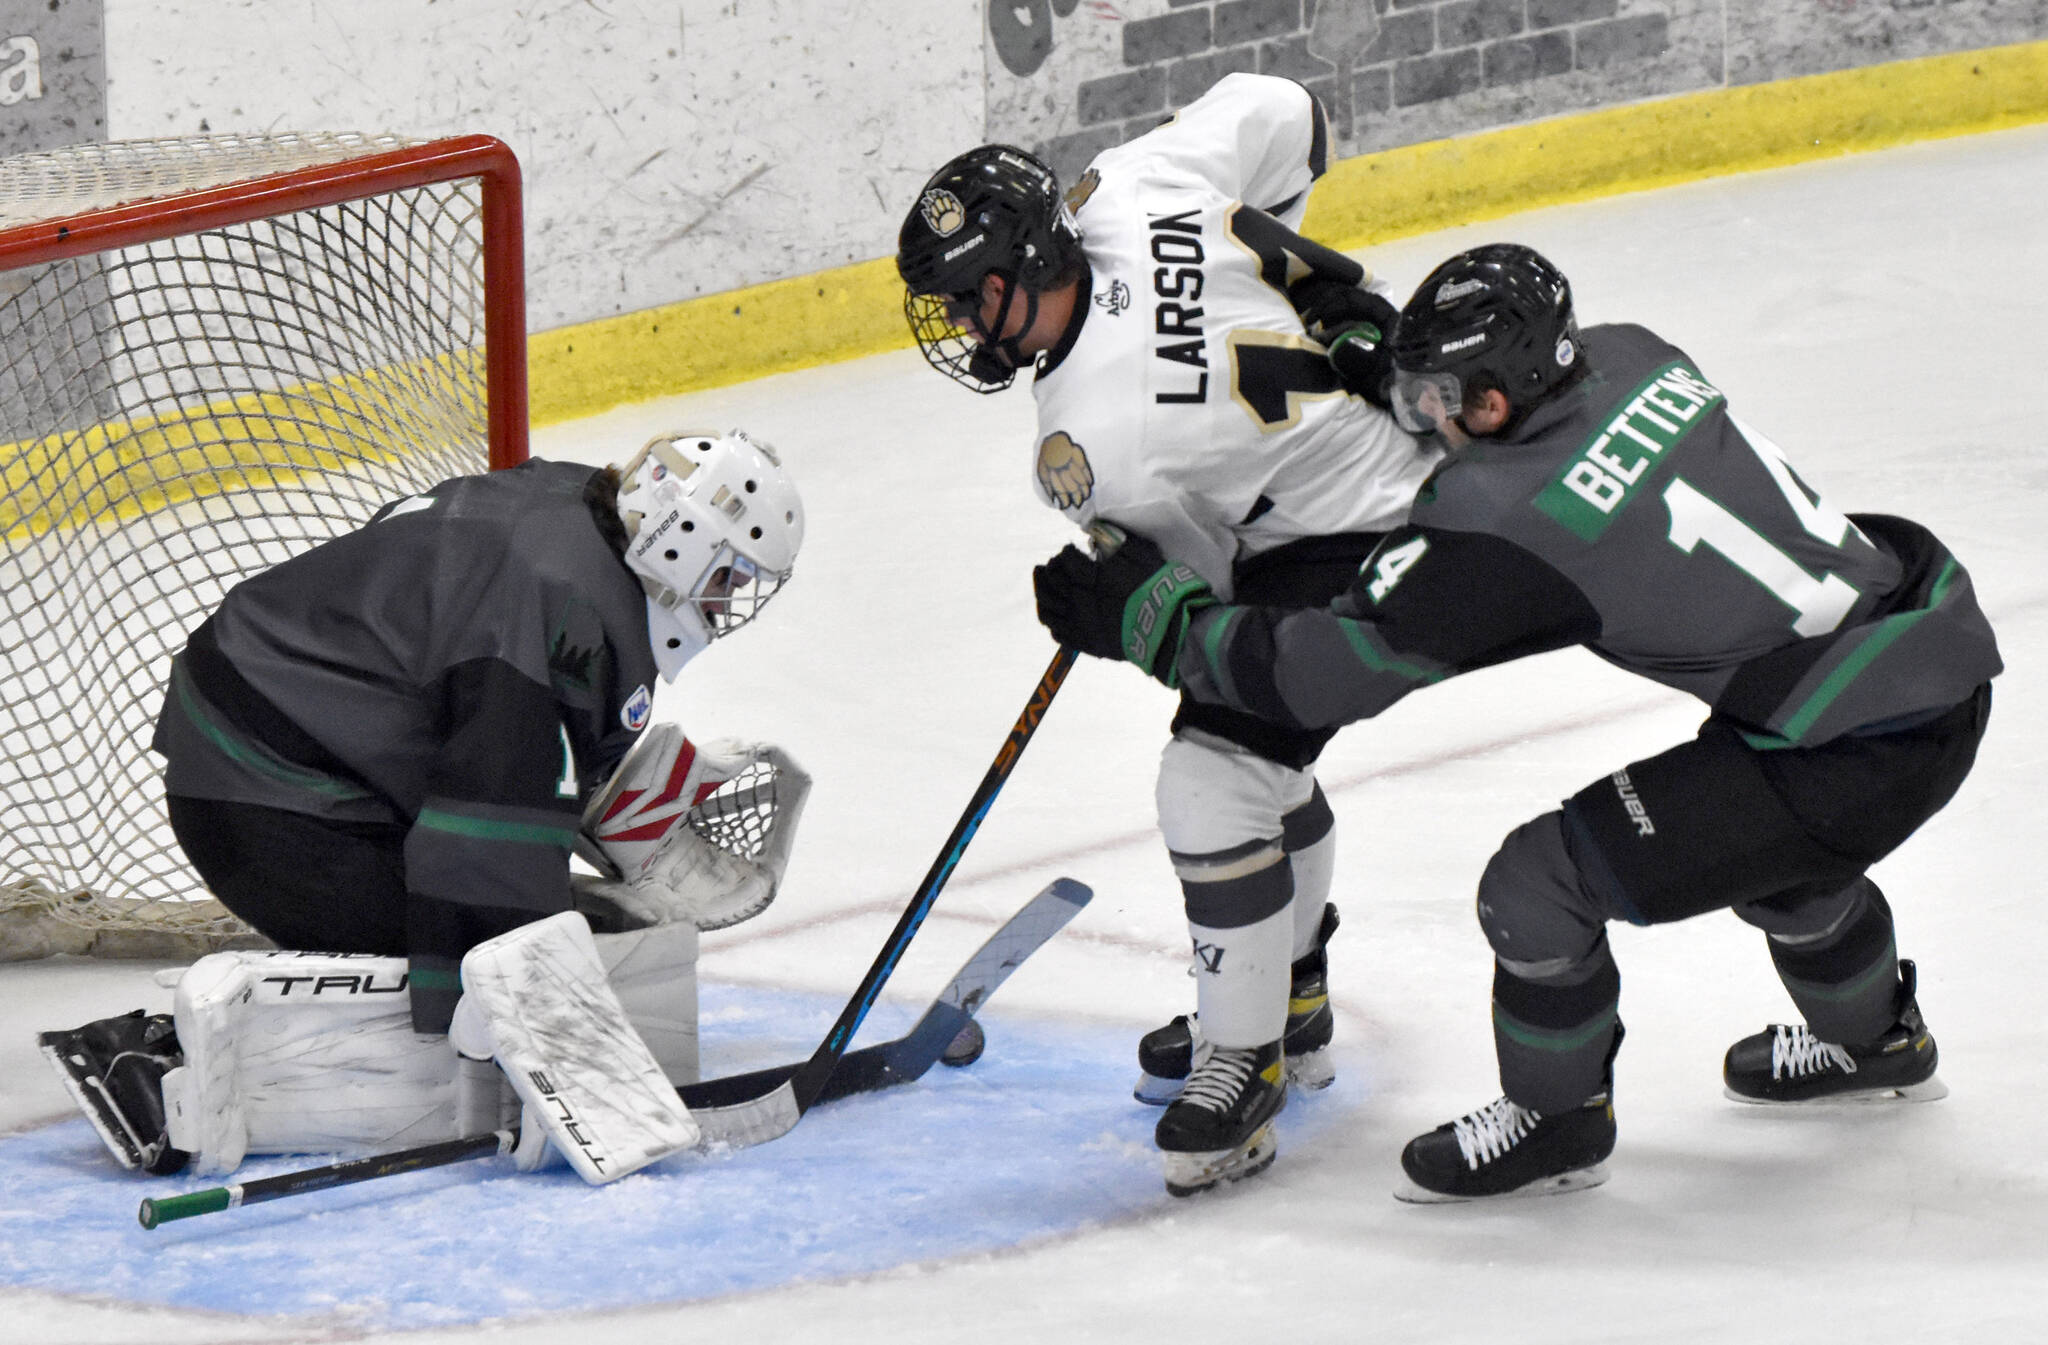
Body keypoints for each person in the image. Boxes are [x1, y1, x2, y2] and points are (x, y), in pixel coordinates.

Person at [1034, 243, 2000, 1201]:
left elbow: (1325, 674)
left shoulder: (1506, 526)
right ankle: (1877, 1043)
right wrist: (1398, 371)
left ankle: (1559, 1120)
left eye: (1437, 403)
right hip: (1918, 659)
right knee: (1780, 865)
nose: (1424, 421)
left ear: (1492, 402)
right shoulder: (1636, 353)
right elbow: (1567, 471)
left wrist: (1158, 624)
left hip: (1847, 747)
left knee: (1537, 886)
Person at [896, 72, 1439, 1197]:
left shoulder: (1090, 445)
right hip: (1391, 447)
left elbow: (1202, 602)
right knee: (1255, 760)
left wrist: (1114, 602)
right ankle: (1288, 1001)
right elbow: (1288, 109)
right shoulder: (1128, 185)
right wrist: (1308, 291)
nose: (956, 327)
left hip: (1368, 539)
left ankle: (1242, 1062)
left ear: (1015, 279)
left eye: (962, 301)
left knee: (1213, 778)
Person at [41, 430, 811, 1176]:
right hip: (266, 795)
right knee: (469, 967)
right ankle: (147, 1060)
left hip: (299, 745)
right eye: (729, 572)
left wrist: (613, 786)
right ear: (680, 540)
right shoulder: (556, 599)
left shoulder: (579, 512)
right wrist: (542, 1029)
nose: (728, 597)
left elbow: (478, 695)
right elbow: (482, 849)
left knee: (565, 928)